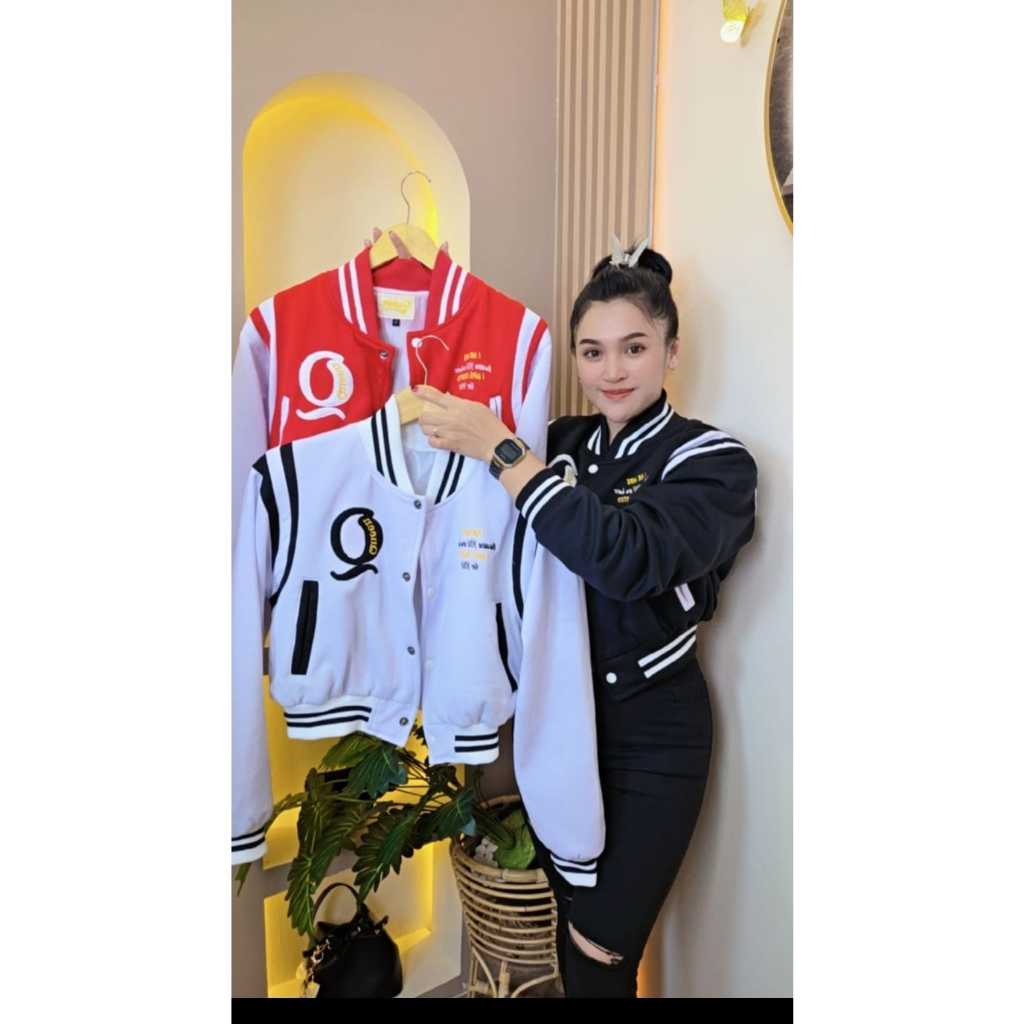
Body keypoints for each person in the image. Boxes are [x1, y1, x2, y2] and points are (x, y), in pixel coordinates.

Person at [372, 228, 758, 997]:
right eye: (592, 351)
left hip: (652, 740)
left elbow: (624, 556)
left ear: (671, 351)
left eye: (634, 348)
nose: (611, 371)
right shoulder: (559, 442)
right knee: (568, 920)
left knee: (600, 950)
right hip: (557, 725)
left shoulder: (713, 462)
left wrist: (502, 452)